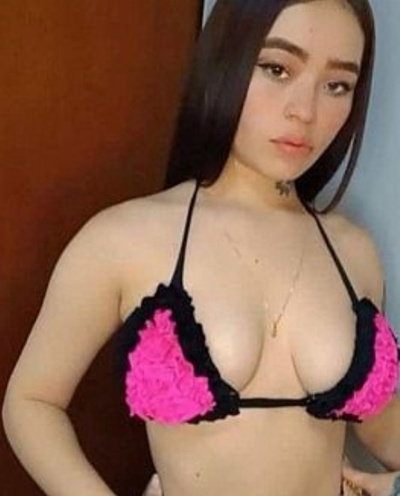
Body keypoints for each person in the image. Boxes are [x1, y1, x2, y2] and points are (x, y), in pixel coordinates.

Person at [2, 0, 400, 495]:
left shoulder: (353, 251)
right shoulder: (124, 239)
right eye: (277, 69)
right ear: (226, 60)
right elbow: (32, 401)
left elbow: (377, 418)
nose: (305, 111)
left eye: (337, 85)